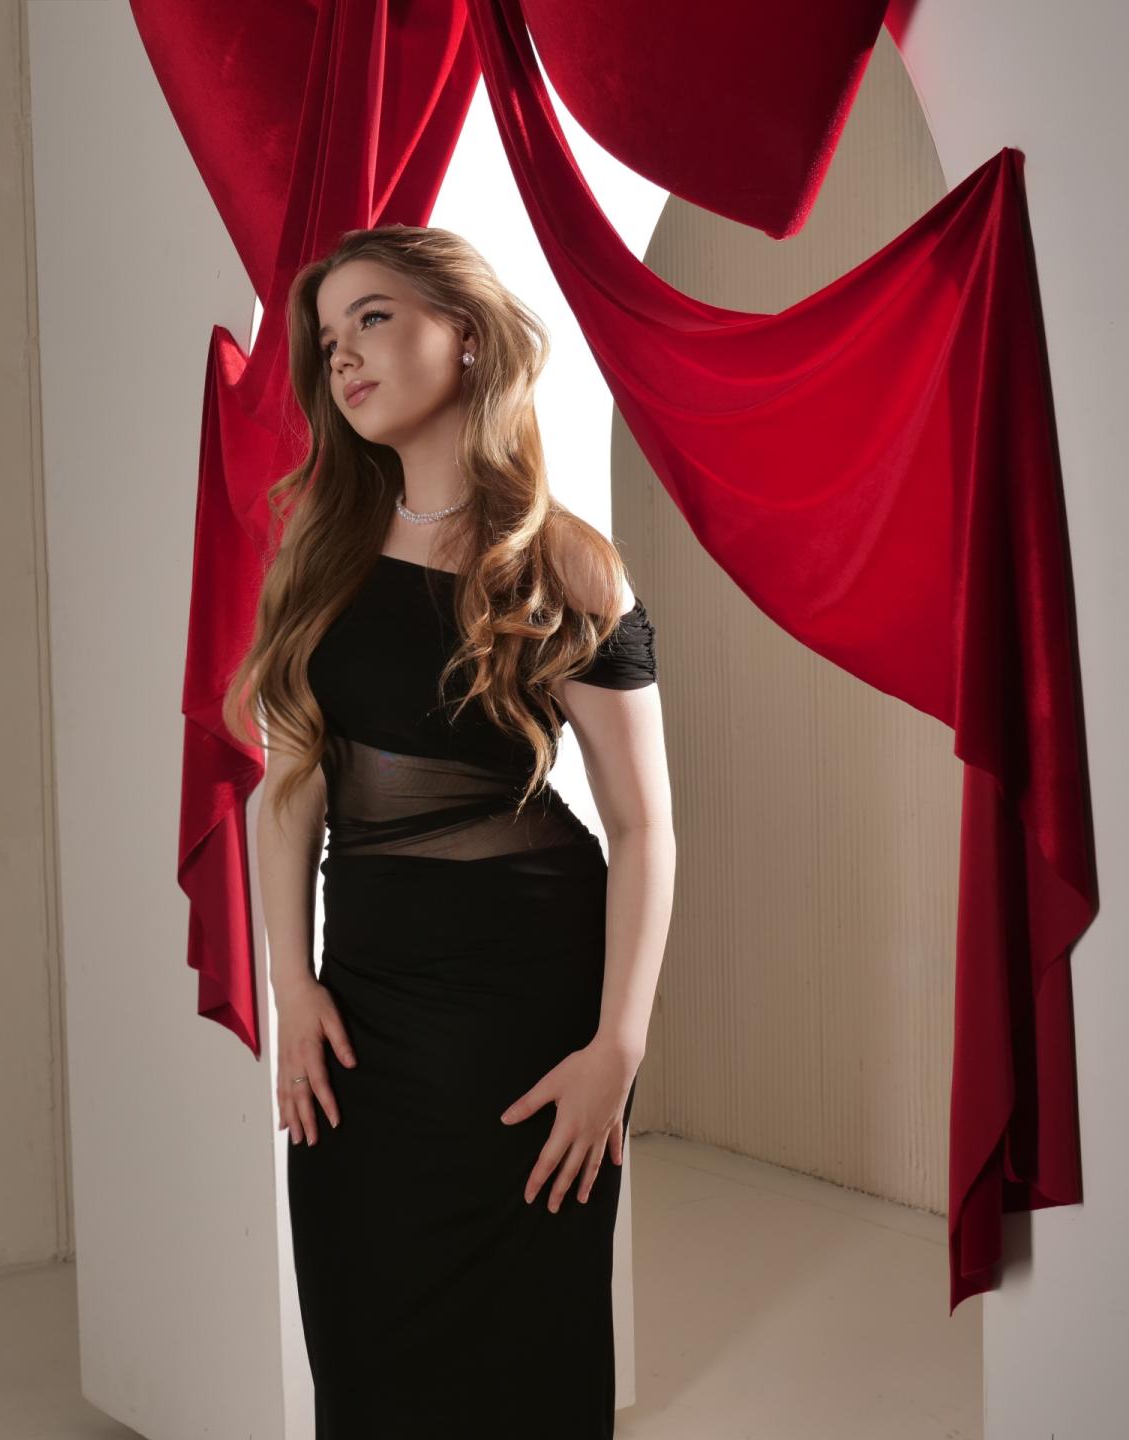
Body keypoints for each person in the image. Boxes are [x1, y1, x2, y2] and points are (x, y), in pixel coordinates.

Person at [221, 224, 676, 1438]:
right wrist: (293, 986)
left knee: (526, 1344)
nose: (343, 356)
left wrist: (617, 1050)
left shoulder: (562, 563)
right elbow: (290, 788)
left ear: (465, 335)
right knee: (364, 1334)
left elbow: (643, 827)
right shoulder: (321, 552)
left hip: (522, 1009)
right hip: (365, 1005)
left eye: (373, 318)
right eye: (329, 338)